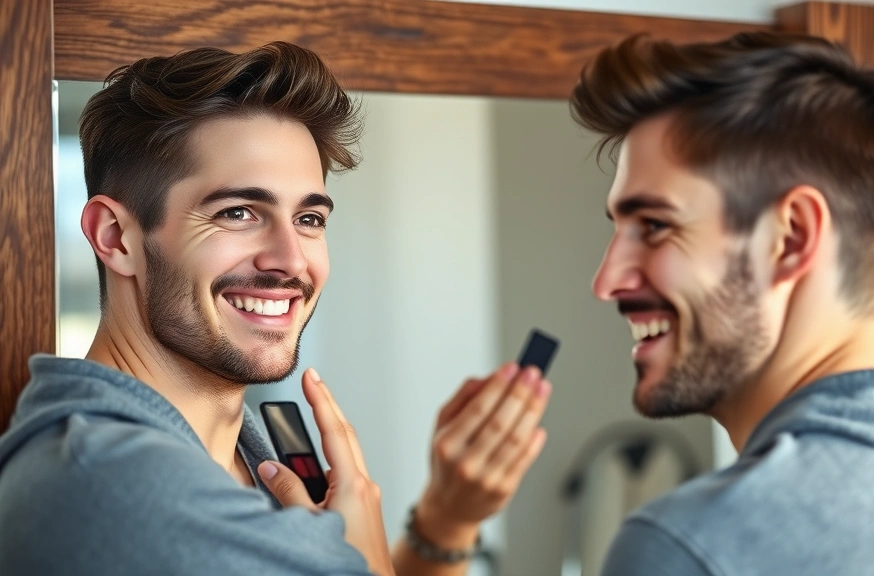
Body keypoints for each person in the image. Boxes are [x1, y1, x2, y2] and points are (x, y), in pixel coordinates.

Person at [0, 42, 551, 576]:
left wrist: (446, 520)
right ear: (116, 237)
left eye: (309, 220)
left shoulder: (234, 456)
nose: (290, 260)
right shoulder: (123, 484)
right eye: (238, 212)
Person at [569, 32, 874, 575]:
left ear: (790, 237)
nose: (606, 282)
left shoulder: (694, 543)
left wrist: (465, 531)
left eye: (654, 226)